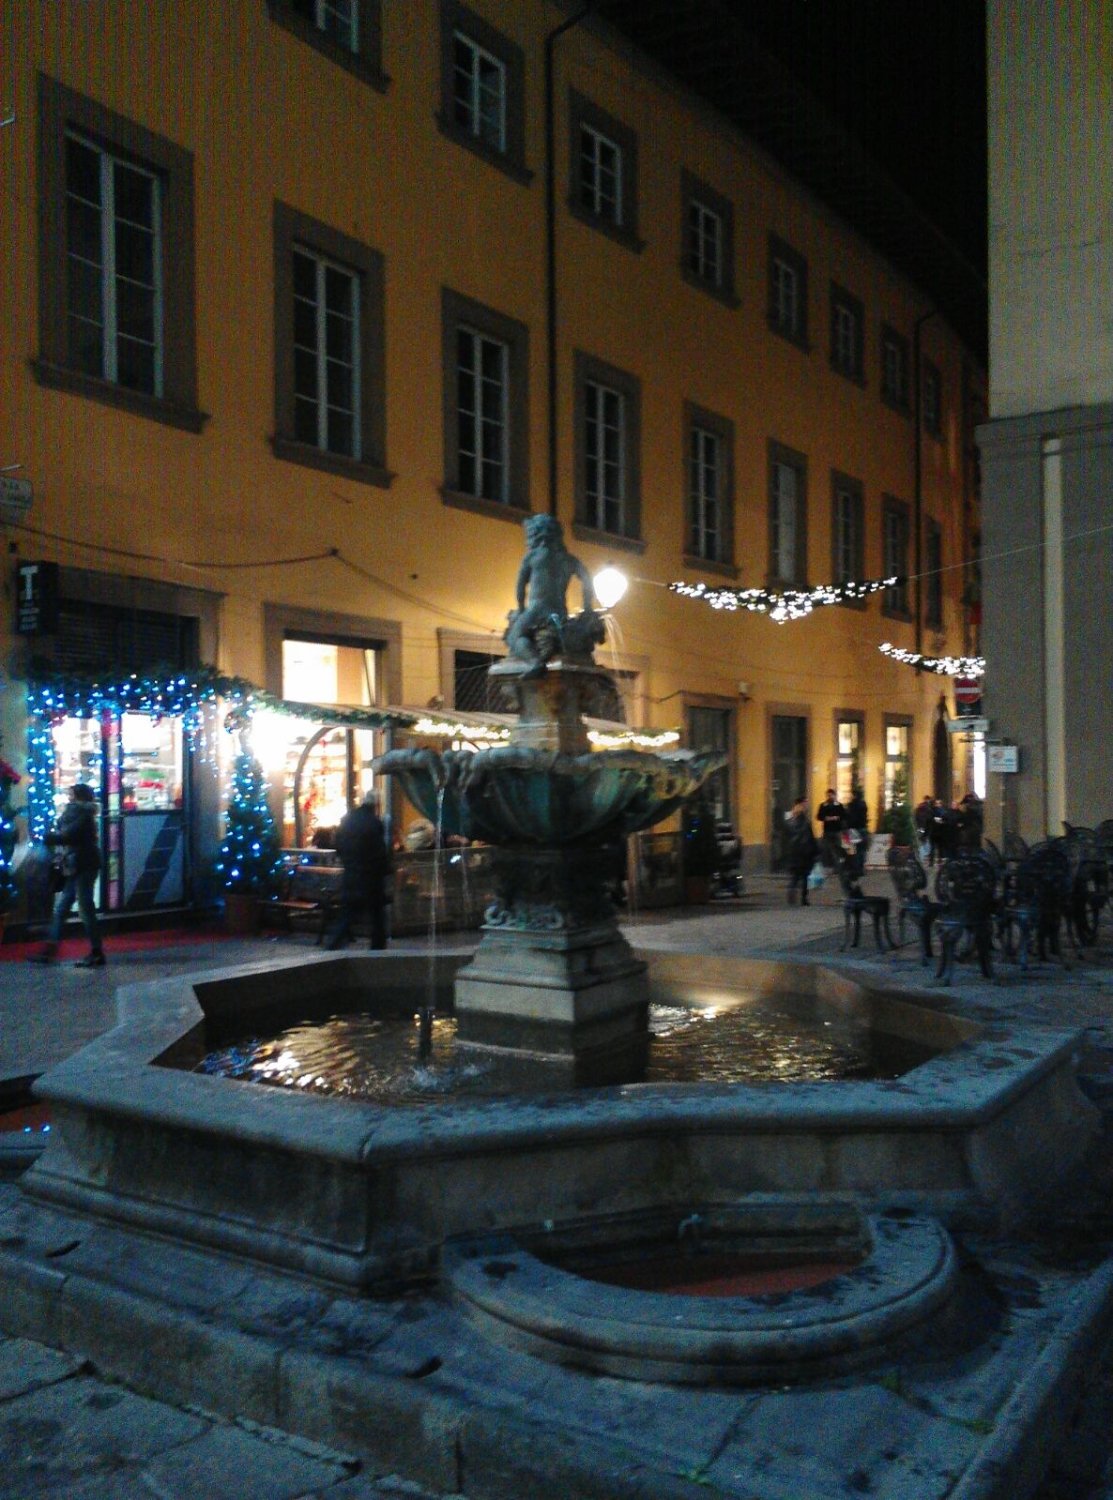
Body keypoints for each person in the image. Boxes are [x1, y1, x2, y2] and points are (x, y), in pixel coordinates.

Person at [28, 782, 105, 967]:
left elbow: (70, 835)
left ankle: (96, 952)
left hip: (83, 865)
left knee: (85, 908)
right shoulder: (77, 813)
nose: (68, 797)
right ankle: (50, 949)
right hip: (76, 865)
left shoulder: (83, 814)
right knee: (63, 908)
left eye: (71, 794)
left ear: (78, 796)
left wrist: (47, 838)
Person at [325, 788, 392, 950]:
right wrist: (386, 870)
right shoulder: (374, 823)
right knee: (377, 916)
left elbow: (338, 845)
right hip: (370, 878)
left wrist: (348, 862)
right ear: (376, 804)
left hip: (351, 874)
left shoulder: (348, 819)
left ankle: (333, 945)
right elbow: (379, 852)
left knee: (347, 914)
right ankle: (378, 950)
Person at [784, 796, 819, 906]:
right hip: (804, 853)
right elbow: (810, 838)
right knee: (804, 876)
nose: (807, 806)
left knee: (795, 876)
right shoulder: (805, 822)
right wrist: (816, 851)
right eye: (805, 804)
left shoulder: (789, 821)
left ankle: (791, 896)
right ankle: (803, 898)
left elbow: (785, 837)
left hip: (793, 853)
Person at [844, 785, 870, 876]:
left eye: (852, 795)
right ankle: (861, 869)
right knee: (862, 850)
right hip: (863, 828)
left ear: (854, 795)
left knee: (854, 850)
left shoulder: (852, 805)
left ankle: (855, 869)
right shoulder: (863, 804)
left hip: (854, 830)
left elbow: (850, 818)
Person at [816, 788, 845, 868]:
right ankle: (827, 865)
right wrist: (826, 818)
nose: (829, 797)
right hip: (827, 830)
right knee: (826, 848)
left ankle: (836, 866)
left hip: (837, 830)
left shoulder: (839, 805)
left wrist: (837, 818)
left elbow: (844, 816)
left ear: (834, 796)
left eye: (831, 795)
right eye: (828, 795)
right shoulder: (823, 805)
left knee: (837, 848)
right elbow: (819, 816)